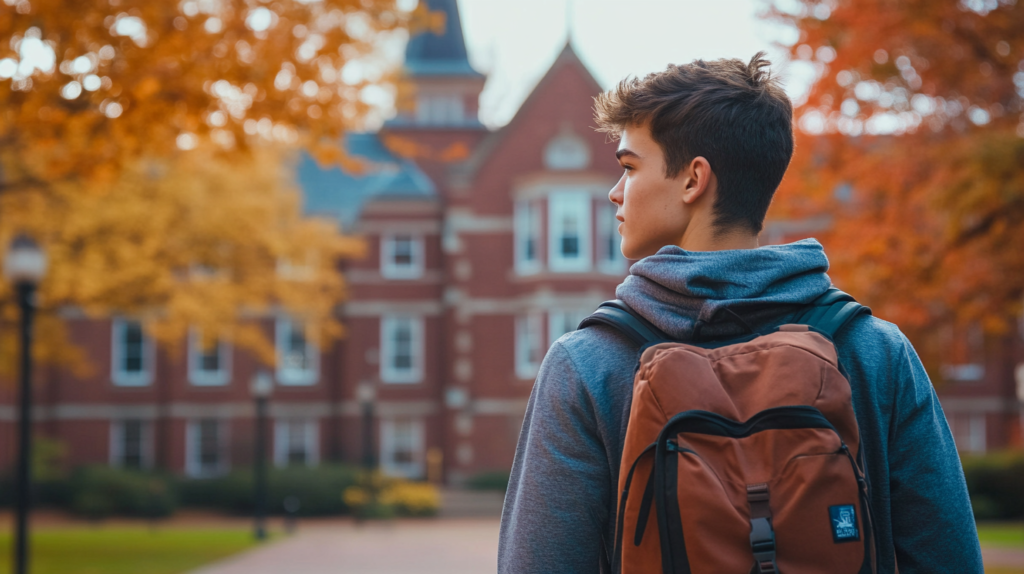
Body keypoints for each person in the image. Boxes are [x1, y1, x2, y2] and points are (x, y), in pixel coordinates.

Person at [497, 53, 983, 574]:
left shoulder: (587, 365)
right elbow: (948, 558)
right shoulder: (875, 351)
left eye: (629, 167)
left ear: (692, 180)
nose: (615, 193)